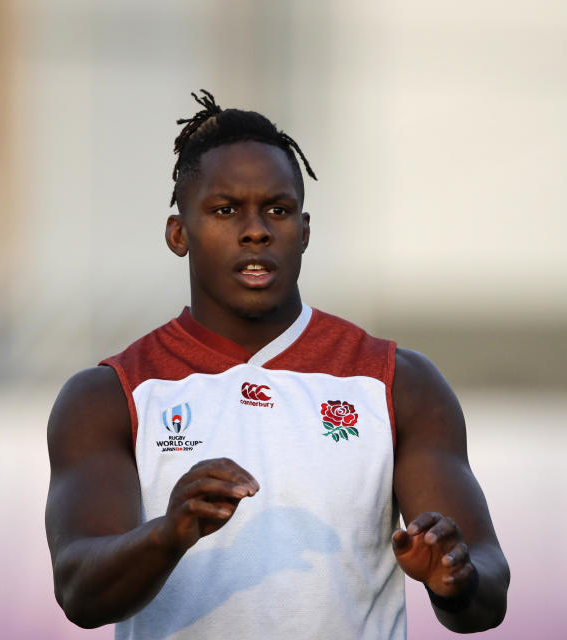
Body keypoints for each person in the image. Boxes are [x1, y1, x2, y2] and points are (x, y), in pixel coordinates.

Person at [45, 90, 509, 639]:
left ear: (304, 231)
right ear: (178, 234)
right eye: (224, 210)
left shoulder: (396, 381)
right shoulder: (110, 395)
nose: (256, 230)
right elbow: (79, 591)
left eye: (277, 210)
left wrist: (453, 578)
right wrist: (168, 534)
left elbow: (488, 585)